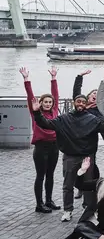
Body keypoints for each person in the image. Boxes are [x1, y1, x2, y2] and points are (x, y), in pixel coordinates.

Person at [32, 94, 104, 222]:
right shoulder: (64, 119)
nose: (80, 104)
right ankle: (68, 210)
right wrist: (37, 112)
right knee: (68, 184)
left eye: (83, 102)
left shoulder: (92, 119)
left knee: (89, 184)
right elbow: (46, 124)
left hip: (87, 156)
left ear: (86, 104)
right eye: (78, 101)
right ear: (74, 103)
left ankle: (89, 208)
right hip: (70, 156)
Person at [20, 66, 60, 213]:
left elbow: (56, 94)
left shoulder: (55, 112)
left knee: (50, 175)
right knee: (40, 176)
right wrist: (26, 79)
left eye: (50, 102)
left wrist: (54, 78)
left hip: (54, 147)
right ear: (41, 103)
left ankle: (49, 200)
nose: (48, 104)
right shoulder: (35, 112)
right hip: (41, 148)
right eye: (46, 102)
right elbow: (30, 96)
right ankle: (39, 204)